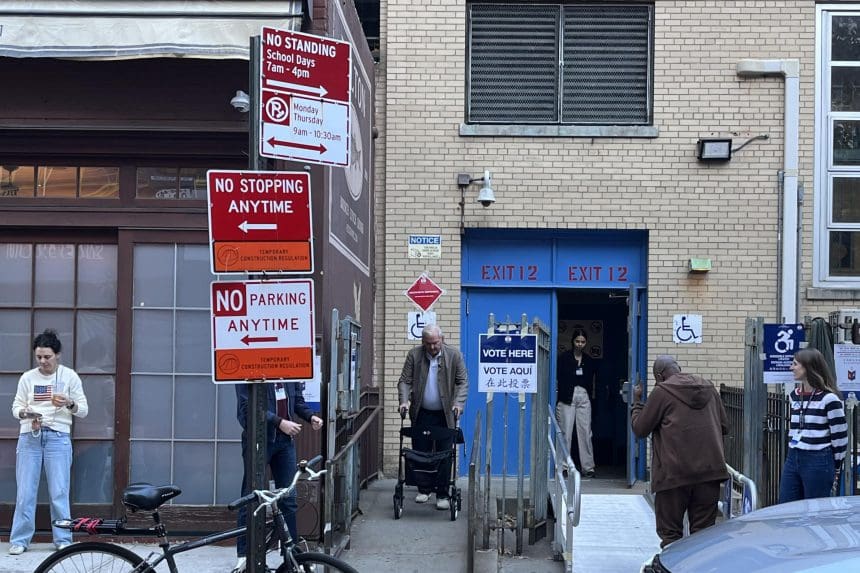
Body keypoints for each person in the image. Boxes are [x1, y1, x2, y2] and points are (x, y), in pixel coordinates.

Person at [631, 355, 728, 548]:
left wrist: (637, 402)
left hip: (673, 475)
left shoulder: (662, 392)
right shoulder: (709, 387)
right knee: (703, 536)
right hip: (709, 473)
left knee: (671, 537)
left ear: (659, 375)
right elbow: (724, 426)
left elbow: (640, 429)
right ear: (678, 368)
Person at [9, 329, 88, 555]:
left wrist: (69, 403)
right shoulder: (28, 378)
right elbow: (16, 407)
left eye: (47, 357)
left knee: (59, 491)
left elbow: (83, 410)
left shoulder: (69, 376)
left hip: (58, 437)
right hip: (30, 437)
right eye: (39, 357)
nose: (43, 361)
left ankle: (63, 538)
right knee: (25, 491)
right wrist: (26, 414)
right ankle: (20, 540)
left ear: (57, 355)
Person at [234, 381, 323, 572]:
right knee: (251, 497)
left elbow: (297, 401)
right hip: (259, 439)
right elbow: (247, 408)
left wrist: (310, 416)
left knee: (288, 498)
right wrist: (279, 422)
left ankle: (290, 554)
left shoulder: (288, 369)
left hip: (284, 442)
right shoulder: (251, 369)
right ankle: (244, 554)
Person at [398, 324, 468, 510]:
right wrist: (404, 401)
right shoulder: (415, 355)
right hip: (422, 412)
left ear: (442, 340)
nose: (432, 347)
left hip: (445, 414)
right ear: (423, 342)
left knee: (445, 453)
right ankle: (424, 489)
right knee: (421, 450)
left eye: (435, 343)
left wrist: (458, 403)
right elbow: (405, 380)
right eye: (428, 344)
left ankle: (443, 493)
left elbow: (462, 382)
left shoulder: (454, 355)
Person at [778, 348, 847, 503]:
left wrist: (836, 465)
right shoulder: (794, 395)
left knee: (814, 509)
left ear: (808, 367)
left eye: (795, 364)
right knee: (786, 505)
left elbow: (840, 436)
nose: (791, 368)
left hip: (819, 458)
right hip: (793, 455)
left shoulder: (829, 399)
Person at [555, 329, 596, 477]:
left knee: (585, 432)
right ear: (572, 341)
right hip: (567, 397)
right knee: (565, 432)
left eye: (583, 342)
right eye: (577, 341)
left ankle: (588, 467)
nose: (580, 344)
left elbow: (592, 381)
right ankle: (564, 466)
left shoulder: (589, 360)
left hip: (583, 396)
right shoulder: (564, 358)